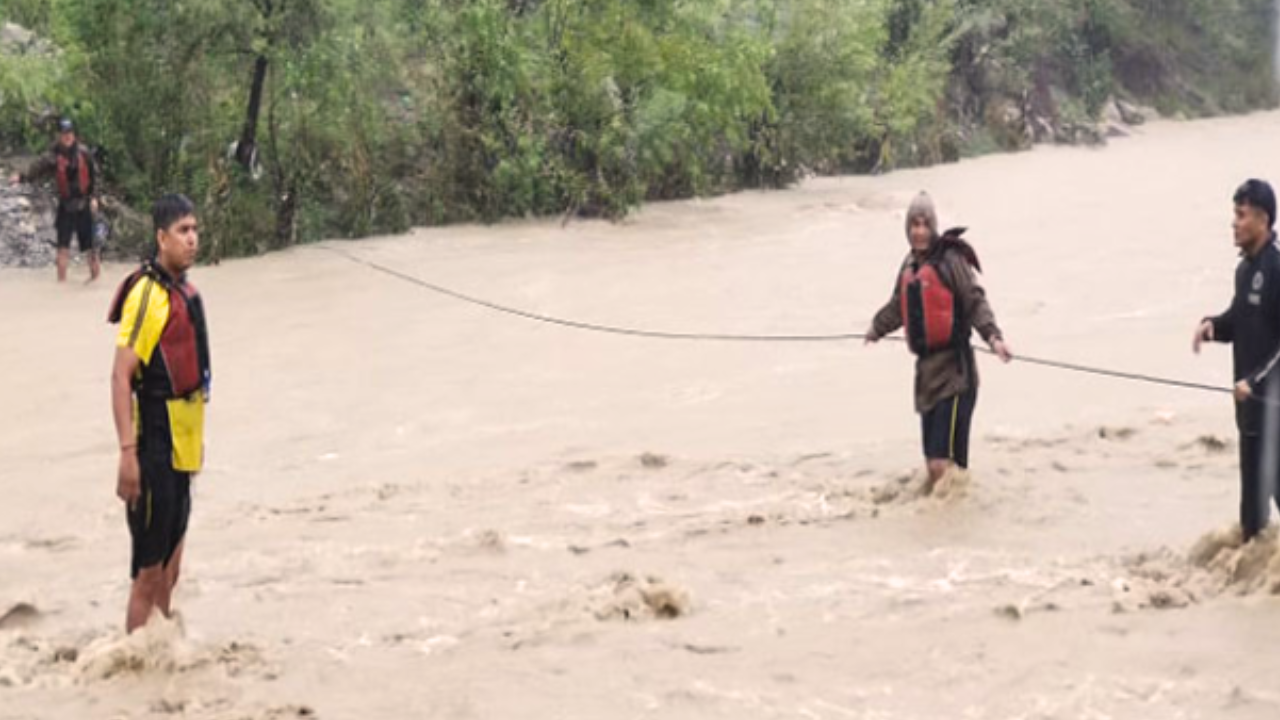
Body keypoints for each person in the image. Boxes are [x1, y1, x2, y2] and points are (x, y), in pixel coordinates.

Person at [108, 194, 211, 633]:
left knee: (171, 570)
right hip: (153, 446)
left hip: (181, 449)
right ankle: (128, 672)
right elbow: (120, 376)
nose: (192, 239)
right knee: (148, 577)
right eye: (182, 231)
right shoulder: (148, 296)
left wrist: (195, 446)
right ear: (160, 238)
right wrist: (128, 454)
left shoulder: (182, 292)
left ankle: (162, 661)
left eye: (194, 230)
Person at [866, 192, 1013, 492]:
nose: (919, 231)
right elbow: (898, 306)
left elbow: (974, 301)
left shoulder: (951, 260)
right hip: (927, 376)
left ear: (933, 226)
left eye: (924, 224)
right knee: (944, 468)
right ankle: (954, 525)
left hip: (956, 375)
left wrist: (994, 338)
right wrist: (875, 329)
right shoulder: (909, 265)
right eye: (913, 225)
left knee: (940, 466)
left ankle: (947, 528)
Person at [1194, 179, 1280, 543]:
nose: (1234, 223)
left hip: (1273, 406)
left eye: (1241, 215)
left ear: (1262, 220)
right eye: (1234, 214)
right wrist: (1212, 326)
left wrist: (1255, 383)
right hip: (1249, 411)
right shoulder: (1244, 270)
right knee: (1253, 513)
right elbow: (1240, 320)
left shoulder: (1277, 269)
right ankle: (1254, 579)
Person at [8, 118, 101, 283]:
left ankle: (95, 282)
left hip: (84, 203)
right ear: (59, 135)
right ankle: (61, 286)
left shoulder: (84, 153)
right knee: (62, 249)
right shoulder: (52, 156)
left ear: (74, 135)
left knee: (91, 249)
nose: (67, 136)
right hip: (65, 206)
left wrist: (94, 197)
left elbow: (95, 176)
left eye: (70, 133)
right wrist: (21, 177)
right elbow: (35, 170)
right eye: (64, 133)